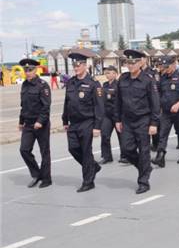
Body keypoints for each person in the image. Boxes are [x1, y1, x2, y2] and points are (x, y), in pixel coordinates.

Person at [115, 49, 160, 194]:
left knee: (144, 151)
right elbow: (118, 101)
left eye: (134, 62)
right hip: (127, 120)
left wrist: (154, 123)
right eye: (129, 62)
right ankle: (145, 168)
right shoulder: (123, 79)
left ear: (140, 62)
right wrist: (117, 120)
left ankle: (143, 182)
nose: (131, 65)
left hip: (143, 120)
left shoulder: (148, 80)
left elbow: (155, 103)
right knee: (127, 150)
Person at [62, 50, 104, 192]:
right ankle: (93, 166)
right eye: (74, 65)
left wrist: (97, 126)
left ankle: (88, 181)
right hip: (74, 122)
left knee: (86, 151)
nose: (76, 68)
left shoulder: (93, 84)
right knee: (72, 148)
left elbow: (99, 107)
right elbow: (67, 103)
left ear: (85, 66)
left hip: (87, 122)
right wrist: (64, 120)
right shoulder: (71, 82)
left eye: (79, 65)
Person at [151, 55, 179, 167]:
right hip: (166, 112)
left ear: (173, 65)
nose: (165, 69)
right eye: (164, 66)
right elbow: (157, 93)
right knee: (162, 133)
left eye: (167, 66)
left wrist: (178, 104)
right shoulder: (162, 78)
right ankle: (160, 156)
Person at [18, 58, 52, 188]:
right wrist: (21, 122)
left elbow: (46, 106)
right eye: (25, 70)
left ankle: (46, 179)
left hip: (40, 124)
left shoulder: (42, 85)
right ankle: (36, 174)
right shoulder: (24, 85)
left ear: (35, 69)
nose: (27, 72)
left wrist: (40, 121)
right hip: (28, 123)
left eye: (30, 70)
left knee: (44, 152)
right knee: (24, 149)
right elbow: (23, 105)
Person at [99, 65, 126, 165]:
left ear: (115, 74)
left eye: (110, 72)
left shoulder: (119, 85)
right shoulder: (104, 85)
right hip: (107, 115)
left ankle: (125, 155)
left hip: (117, 115)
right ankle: (106, 156)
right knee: (105, 135)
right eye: (106, 73)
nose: (108, 74)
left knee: (121, 136)